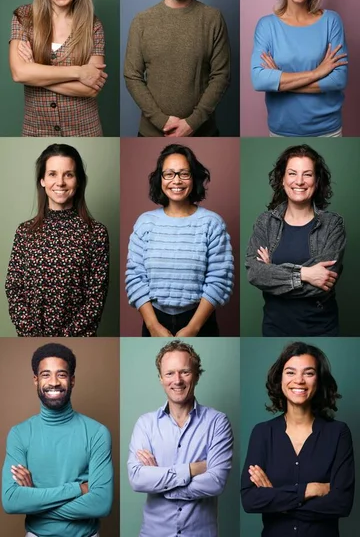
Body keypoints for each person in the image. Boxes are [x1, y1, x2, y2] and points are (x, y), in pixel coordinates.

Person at [241, 341, 355, 537]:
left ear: (318, 381)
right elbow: (250, 500)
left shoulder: (338, 433)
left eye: (308, 373)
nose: (299, 380)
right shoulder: (262, 433)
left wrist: (277, 501)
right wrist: (308, 490)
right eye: (291, 372)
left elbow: (342, 504)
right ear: (280, 379)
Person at [1, 342, 113, 537]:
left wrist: (34, 501)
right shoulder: (19, 434)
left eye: (61, 374)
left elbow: (101, 504)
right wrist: (78, 488)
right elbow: (11, 500)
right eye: (46, 374)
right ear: (36, 380)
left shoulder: (97, 433)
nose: (53, 382)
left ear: (72, 380)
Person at [125, 143, 234, 337]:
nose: (176, 180)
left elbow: (219, 278)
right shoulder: (145, 223)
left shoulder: (212, 223)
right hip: (154, 321)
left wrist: (193, 328)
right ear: (160, 179)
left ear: (194, 178)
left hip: (200, 321)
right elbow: (135, 277)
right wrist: (152, 326)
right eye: (169, 174)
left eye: (184, 173)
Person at [124, 0, 230, 137]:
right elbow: (132, 76)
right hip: (151, 134)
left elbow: (221, 76)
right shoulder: (142, 21)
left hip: (203, 134)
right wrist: (161, 120)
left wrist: (192, 123)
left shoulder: (213, 18)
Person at [128, 340, 233, 537]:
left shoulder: (217, 422)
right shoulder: (145, 424)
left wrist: (160, 482)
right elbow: (137, 480)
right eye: (169, 373)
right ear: (160, 378)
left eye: (185, 372)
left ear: (197, 375)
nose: (177, 380)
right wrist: (192, 469)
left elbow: (215, 482)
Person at [5, 143, 109, 337]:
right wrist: (31, 335)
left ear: (78, 181)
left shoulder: (96, 233)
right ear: (42, 180)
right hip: (30, 337)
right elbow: (13, 287)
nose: (60, 182)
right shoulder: (25, 232)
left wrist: (68, 336)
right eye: (52, 174)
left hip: (80, 338)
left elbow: (96, 297)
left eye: (68, 174)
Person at [245, 144, 346, 337]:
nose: (299, 181)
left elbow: (323, 283)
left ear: (316, 181)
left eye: (307, 174)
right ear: (282, 179)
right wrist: (306, 273)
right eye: (292, 173)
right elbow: (255, 274)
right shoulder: (265, 222)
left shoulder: (333, 224)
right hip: (275, 328)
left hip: (322, 329)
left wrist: (272, 272)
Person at [9, 0, 107, 136]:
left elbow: (91, 89)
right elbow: (19, 73)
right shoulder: (23, 17)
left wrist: (36, 74)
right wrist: (78, 72)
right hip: (35, 131)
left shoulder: (93, 25)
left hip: (85, 132)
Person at [251, 0, 348, 137]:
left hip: (327, 129)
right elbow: (259, 80)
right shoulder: (266, 25)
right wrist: (317, 73)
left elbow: (338, 79)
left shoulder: (331, 21)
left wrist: (279, 80)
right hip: (282, 130)